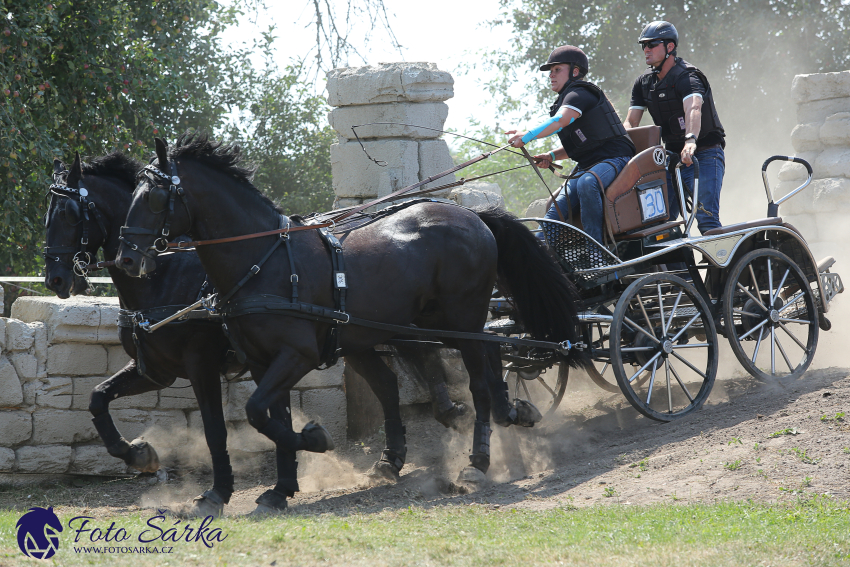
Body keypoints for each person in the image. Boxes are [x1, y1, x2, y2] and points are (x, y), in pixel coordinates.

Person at [506, 45, 635, 245]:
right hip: (588, 165)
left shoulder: (579, 94)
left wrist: (527, 136)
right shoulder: (564, 102)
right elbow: (580, 145)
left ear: (575, 71)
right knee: (557, 206)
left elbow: (559, 121)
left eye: (557, 69)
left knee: (587, 182)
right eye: (551, 71)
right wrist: (551, 156)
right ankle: (540, 253)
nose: (551, 75)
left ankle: (596, 250)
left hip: (615, 158)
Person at [623, 21, 725, 234]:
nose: (646, 49)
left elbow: (693, 108)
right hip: (671, 159)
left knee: (706, 221)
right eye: (644, 45)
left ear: (670, 47)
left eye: (652, 44)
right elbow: (631, 123)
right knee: (658, 223)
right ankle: (680, 265)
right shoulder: (643, 84)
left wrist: (690, 140)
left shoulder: (688, 76)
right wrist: (621, 148)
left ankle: (725, 265)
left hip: (704, 154)